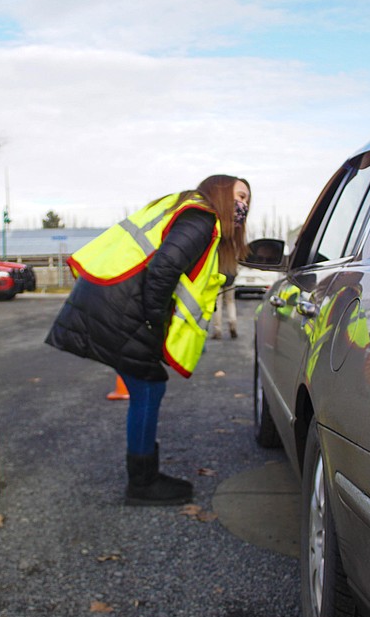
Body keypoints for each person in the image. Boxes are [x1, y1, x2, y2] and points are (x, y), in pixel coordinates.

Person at [45, 175, 251, 505]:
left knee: (148, 385)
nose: (242, 205)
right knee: (149, 386)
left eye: (247, 200)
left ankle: (144, 476)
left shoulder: (190, 212)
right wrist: (153, 322)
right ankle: (141, 483)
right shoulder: (202, 217)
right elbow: (164, 267)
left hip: (115, 301)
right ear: (219, 192)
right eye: (238, 195)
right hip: (123, 308)